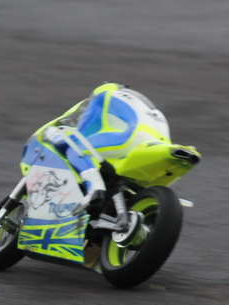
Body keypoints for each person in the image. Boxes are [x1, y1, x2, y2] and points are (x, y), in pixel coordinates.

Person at [21, 82, 172, 214]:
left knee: (75, 147)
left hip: (132, 139)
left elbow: (81, 132)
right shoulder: (143, 109)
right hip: (154, 147)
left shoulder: (102, 98)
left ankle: (94, 186)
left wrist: (56, 136)